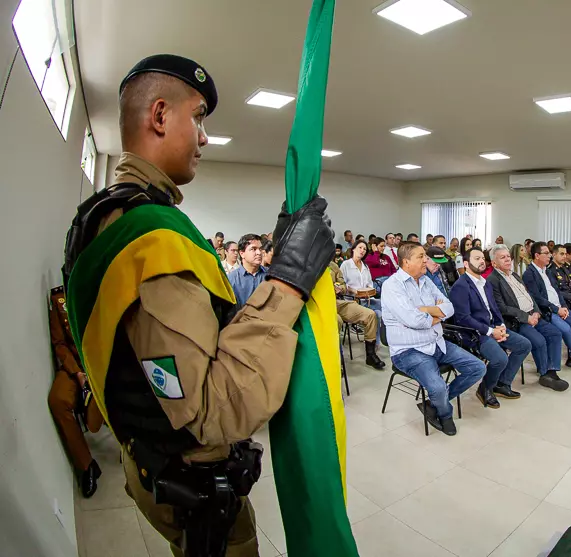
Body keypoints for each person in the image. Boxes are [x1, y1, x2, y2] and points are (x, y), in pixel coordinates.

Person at [62, 54, 336, 555]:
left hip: (150, 458)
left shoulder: (105, 215)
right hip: (189, 482)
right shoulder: (149, 239)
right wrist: (289, 284)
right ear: (161, 116)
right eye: (199, 117)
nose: (205, 137)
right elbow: (213, 410)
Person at [382, 243, 486, 436]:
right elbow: (413, 319)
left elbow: (450, 307)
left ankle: (433, 403)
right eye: (421, 256)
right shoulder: (392, 286)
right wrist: (435, 314)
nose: (426, 260)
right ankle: (444, 414)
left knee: (478, 368)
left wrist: (425, 310)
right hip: (408, 351)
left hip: (436, 342)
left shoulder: (425, 281)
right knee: (437, 387)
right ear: (406, 261)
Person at [490, 245, 571, 379]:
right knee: (540, 340)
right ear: (494, 263)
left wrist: (535, 312)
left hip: (534, 314)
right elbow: (503, 308)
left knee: (555, 333)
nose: (507, 260)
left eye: (508, 256)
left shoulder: (514, 275)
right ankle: (545, 373)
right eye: (502, 257)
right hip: (517, 321)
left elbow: (530, 297)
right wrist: (528, 317)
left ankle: (552, 369)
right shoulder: (493, 280)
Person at [450, 248, 533, 406]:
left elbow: (494, 309)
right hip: (474, 333)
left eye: (482, 258)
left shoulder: (485, 283)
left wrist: (500, 326)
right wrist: (490, 331)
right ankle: (485, 388)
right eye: (477, 258)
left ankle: (502, 383)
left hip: (492, 327)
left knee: (524, 345)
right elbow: (463, 319)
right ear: (466, 264)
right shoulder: (461, 286)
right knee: (500, 359)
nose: (482, 261)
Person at [47, 286, 105, 498]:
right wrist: (78, 373)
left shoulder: (99, 287)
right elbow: (60, 343)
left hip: (99, 363)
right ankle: (87, 465)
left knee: (100, 403)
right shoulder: (59, 298)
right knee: (58, 400)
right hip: (74, 366)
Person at [524, 242, 571, 368]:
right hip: (547, 310)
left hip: (559, 306)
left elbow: (557, 291)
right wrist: (557, 309)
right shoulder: (529, 273)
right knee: (565, 328)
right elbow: (537, 298)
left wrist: (564, 306)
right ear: (537, 255)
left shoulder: (546, 271)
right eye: (546, 253)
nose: (549, 255)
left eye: (549, 253)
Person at [330, 261, 385, 370]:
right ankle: (333, 360)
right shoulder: (308, 264)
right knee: (337, 320)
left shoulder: (332, 266)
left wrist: (340, 288)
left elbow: (343, 284)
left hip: (336, 302)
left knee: (370, 315)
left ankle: (370, 355)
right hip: (317, 304)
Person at [227, 234, 267, 311]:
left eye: (260, 249)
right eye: (253, 249)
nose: (259, 252)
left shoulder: (270, 276)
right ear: (242, 253)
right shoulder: (232, 280)